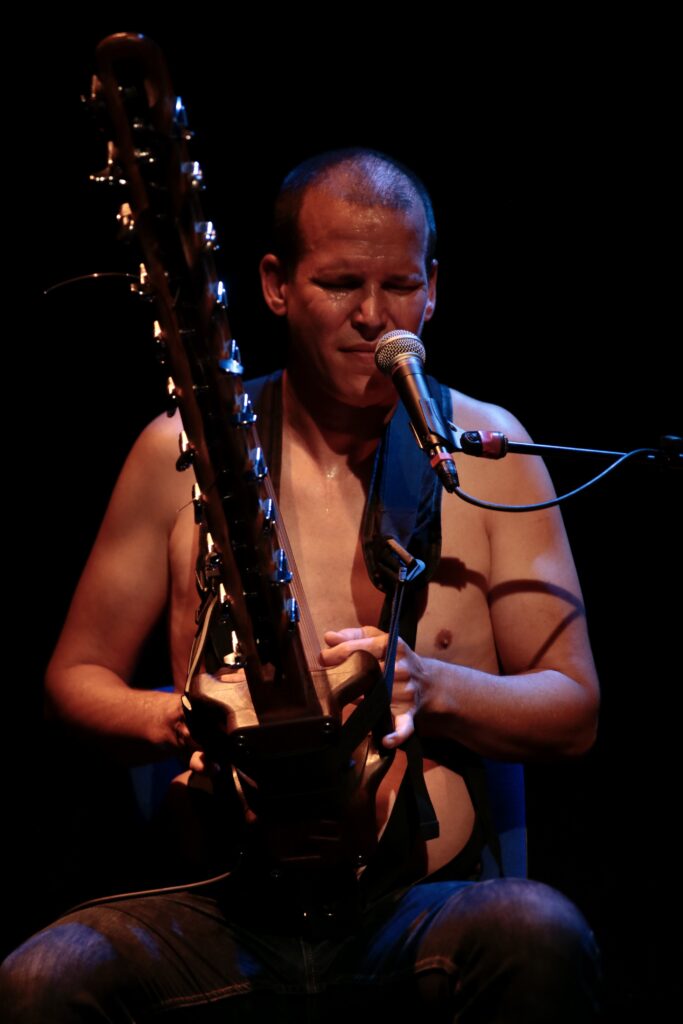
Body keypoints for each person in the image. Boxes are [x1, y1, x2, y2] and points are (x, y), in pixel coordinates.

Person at [1, 148, 600, 1021]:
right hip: (229, 904)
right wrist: (185, 718)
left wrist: (431, 685)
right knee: (43, 978)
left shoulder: (490, 452)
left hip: (421, 909)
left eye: (400, 285)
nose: (374, 316)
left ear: (433, 288)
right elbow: (73, 679)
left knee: (535, 930)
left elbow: (573, 709)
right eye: (340, 284)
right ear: (276, 285)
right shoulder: (178, 450)